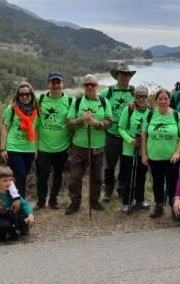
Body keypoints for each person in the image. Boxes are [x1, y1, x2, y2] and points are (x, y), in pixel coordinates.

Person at [65, 74, 113, 214]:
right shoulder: (77, 102)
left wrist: (95, 123)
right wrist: (81, 119)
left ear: (97, 86)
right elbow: (69, 123)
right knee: (75, 176)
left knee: (97, 177)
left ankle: (94, 201)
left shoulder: (104, 101)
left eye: (93, 84)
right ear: (84, 86)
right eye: (87, 84)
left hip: (97, 146)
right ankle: (75, 202)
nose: (90, 87)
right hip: (78, 146)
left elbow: (109, 122)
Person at [142, 88, 180, 219]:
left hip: (172, 157)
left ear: (169, 100)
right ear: (156, 101)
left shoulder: (176, 115)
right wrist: (144, 154)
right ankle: (159, 205)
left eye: (165, 99)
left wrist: (178, 153)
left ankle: (174, 208)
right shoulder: (150, 114)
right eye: (160, 99)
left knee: (173, 183)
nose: (163, 101)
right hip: (154, 156)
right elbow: (144, 135)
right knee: (157, 182)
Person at [99, 63, 136, 203]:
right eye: (121, 74)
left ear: (130, 77)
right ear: (117, 76)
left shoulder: (133, 93)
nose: (124, 77)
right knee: (109, 165)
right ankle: (108, 190)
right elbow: (97, 106)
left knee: (126, 165)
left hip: (127, 137)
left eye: (127, 74)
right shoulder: (107, 93)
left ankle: (122, 189)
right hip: (111, 135)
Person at [35, 72, 72, 210]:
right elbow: (22, 105)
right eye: (53, 82)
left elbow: (72, 121)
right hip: (43, 147)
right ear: (48, 84)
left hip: (62, 147)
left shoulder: (70, 101)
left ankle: (53, 200)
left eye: (58, 82)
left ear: (62, 84)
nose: (56, 85)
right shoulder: (40, 99)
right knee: (42, 176)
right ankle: (40, 201)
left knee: (58, 175)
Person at [0, 82, 38, 200]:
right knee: (20, 176)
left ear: (31, 94)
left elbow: (36, 131)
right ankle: (21, 203)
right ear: (18, 95)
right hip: (13, 148)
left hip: (29, 149)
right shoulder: (11, 108)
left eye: (27, 94)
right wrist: (3, 149)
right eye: (21, 95)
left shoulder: (37, 110)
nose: (24, 96)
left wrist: (36, 149)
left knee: (21, 177)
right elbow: (5, 129)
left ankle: (12, 200)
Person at [117, 85, 151, 214]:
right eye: (138, 97)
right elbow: (121, 128)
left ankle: (140, 200)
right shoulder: (129, 110)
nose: (141, 99)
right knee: (129, 177)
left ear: (147, 97)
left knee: (141, 176)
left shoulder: (151, 111)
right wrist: (130, 140)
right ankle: (126, 201)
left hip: (144, 150)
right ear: (135, 97)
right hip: (129, 150)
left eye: (144, 97)